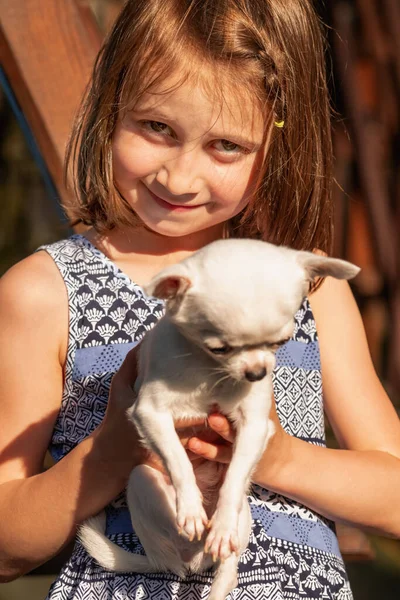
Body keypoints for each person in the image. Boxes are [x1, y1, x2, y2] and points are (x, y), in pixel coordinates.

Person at [0, 0, 399, 598]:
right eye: (157, 128)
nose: (180, 177)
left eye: (227, 146)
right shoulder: (45, 293)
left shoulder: (310, 289)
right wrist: (111, 454)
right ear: (110, 108)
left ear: (278, 142)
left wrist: (278, 460)